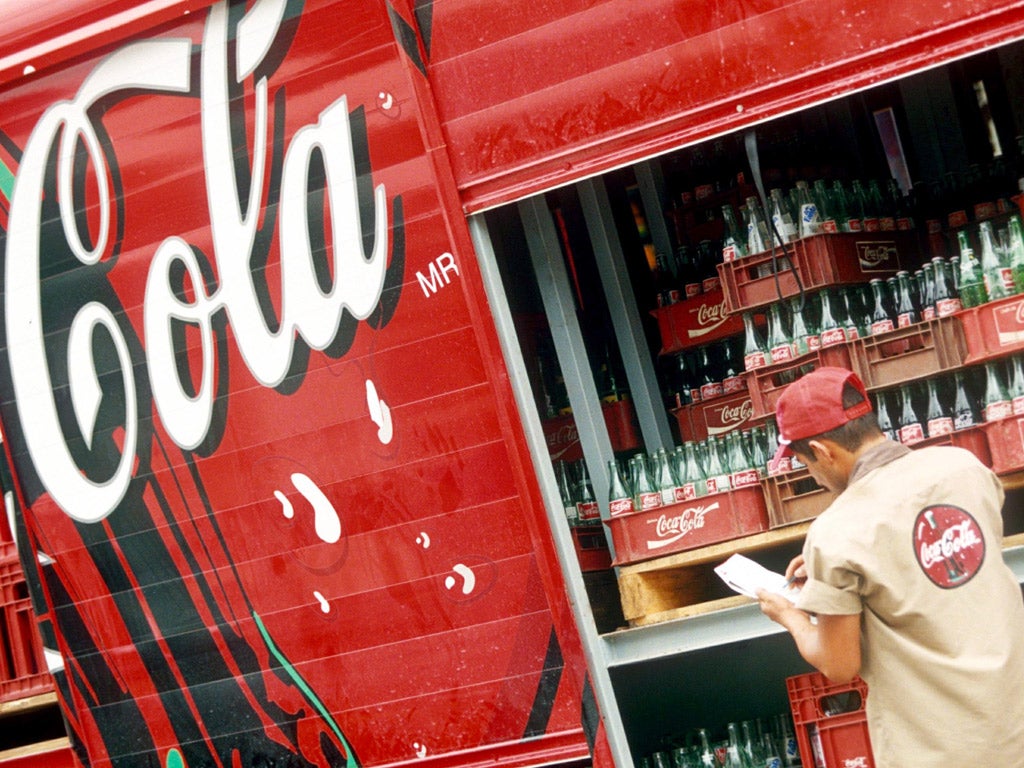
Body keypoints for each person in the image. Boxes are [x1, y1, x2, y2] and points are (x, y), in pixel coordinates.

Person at [756, 366, 1024, 767]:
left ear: (823, 451)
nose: (812, 475)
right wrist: (837, 574)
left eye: (804, 463)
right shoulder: (963, 468)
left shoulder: (837, 531)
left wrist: (791, 616)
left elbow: (838, 664)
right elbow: (941, 564)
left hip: (940, 750)